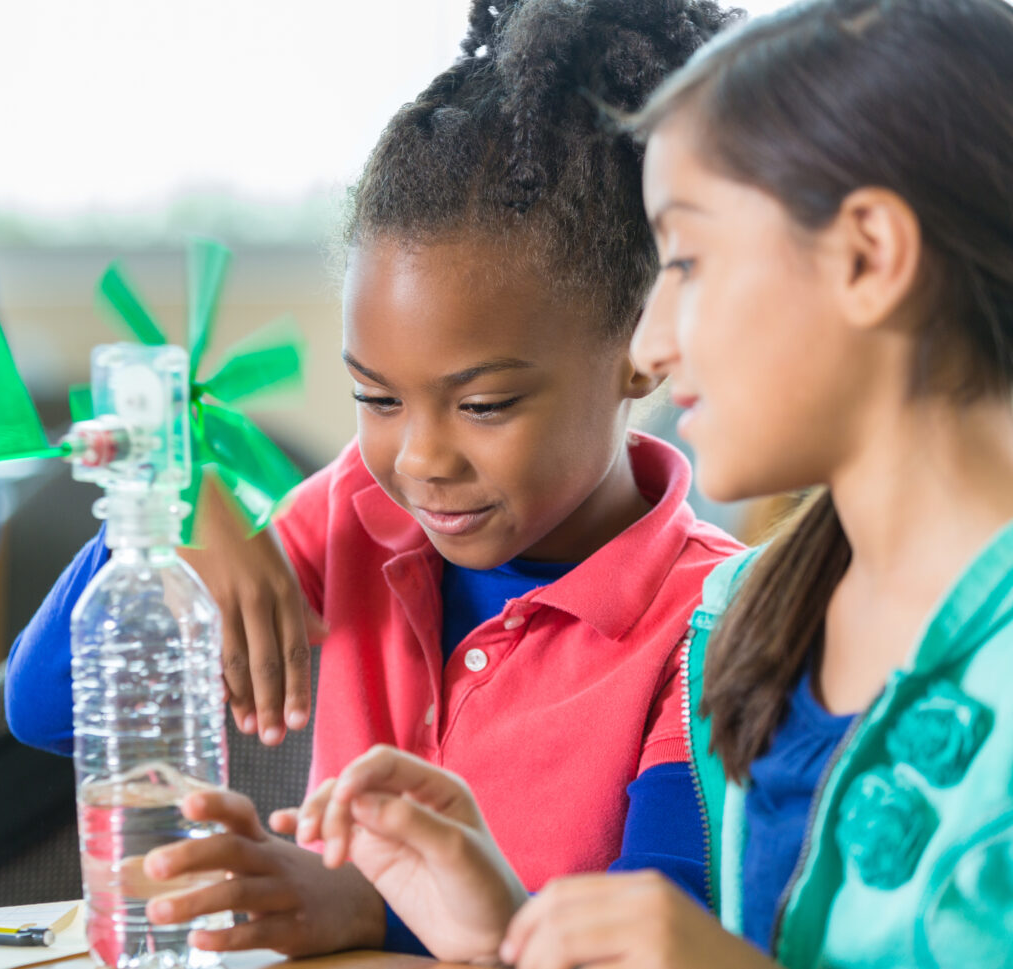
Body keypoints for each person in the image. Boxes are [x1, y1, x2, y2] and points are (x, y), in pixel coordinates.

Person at [4, 0, 743, 957]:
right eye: (377, 397)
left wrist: (370, 907)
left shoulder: (710, 621)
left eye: (482, 406)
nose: (421, 460)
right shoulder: (360, 511)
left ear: (642, 347)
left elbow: (655, 933)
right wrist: (162, 524)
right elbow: (42, 710)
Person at [283, 0, 1013, 966]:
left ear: (869, 256)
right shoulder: (746, 620)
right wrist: (505, 933)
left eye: (688, 261)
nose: (654, 338)